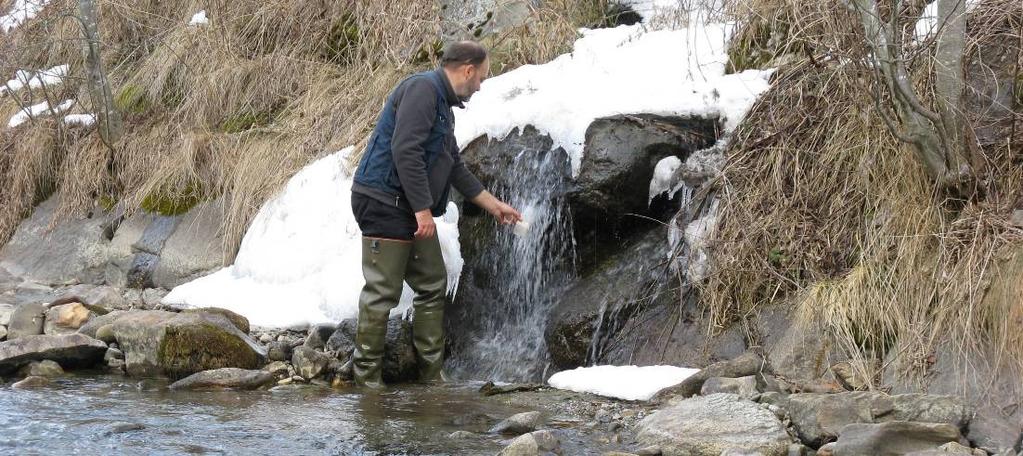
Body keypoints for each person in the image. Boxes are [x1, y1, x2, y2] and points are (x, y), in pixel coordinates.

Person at [349, 41, 522, 389]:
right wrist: (422, 211)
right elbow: (405, 150)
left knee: (431, 284)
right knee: (382, 292)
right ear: (468, 70)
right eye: (482, 78)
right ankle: (366, 381)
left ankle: (431, 377)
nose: (481, 85)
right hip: (383, 202)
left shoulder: (443, 107)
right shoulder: (421, 90)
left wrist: (493, 205)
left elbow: (453, 165)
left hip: (405, 207)